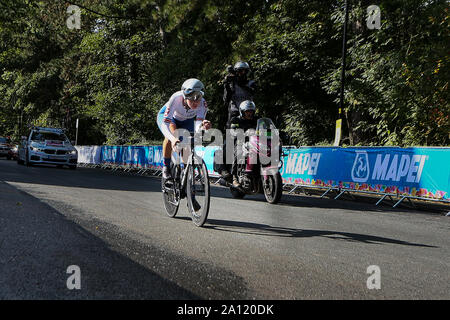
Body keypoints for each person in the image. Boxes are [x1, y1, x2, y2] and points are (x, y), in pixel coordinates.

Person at [156, 78, 211, 181]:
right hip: (170, 118)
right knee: (172, 137)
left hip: (187, 120)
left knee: (187, 142)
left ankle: (185, 171)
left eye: (198, 97)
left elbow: (198, 124)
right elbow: (166, 124)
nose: (196, 102)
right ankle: (166, 167)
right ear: (185, 97)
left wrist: (203, 126)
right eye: (192, 98)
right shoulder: (176, 99)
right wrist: (172, 139)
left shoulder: (202, 104)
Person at [220, 61, 256, 179]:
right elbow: (226, 100)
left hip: (249, 114)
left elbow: (254, 92)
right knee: (230, 142)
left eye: (244, 71)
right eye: (240, 71)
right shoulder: (231, 83)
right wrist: (227, 84)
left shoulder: (251, 83)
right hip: (235, 116)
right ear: (236, 72)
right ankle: (225, 170)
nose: (242, 73)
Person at [229, 100, 258, 188]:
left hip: (256, 143)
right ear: (242, 112)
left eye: (251, 112)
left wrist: (272, 133)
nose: (249, 114)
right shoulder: (236, 120)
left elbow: (266, 130)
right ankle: (234, 177)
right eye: (247, 112)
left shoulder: (257, 120)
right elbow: (233, 130)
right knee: (238, 153)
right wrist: (239, 133)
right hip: (241, 142)